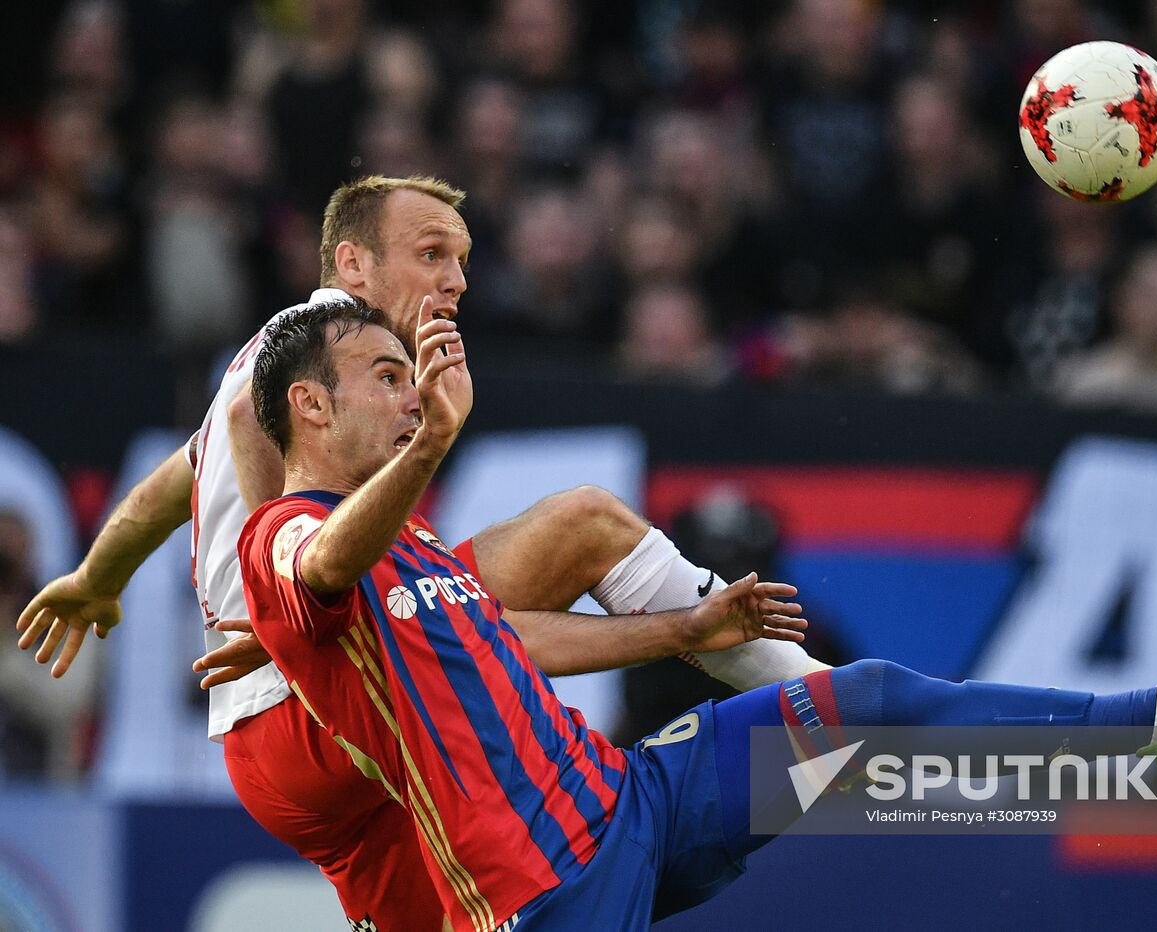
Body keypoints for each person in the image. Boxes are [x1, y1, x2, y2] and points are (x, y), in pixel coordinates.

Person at [243, 295, 1157, 930]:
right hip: (542, 891)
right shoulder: (285, 538)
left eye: (408, 380)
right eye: (385, 377)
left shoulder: (415, 543)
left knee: (869, 702)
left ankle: (1155, 740)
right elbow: (325, 560)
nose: (410, 396)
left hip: (634, 800)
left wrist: (671, 631)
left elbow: (495, 641)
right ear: (309, 404)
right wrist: (433, 444)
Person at [16, 175, 827, 928]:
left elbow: (181, 473)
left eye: (465, 261)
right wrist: (287, 621)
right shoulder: (306, 349)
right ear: (352, 264)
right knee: (580, 527)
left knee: (462, 690)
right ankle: (847, 727)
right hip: (304, 712)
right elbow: (255, 476)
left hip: (291, 754)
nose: (457, 281)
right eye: (432, 254)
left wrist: (97, 574)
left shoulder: (289, 365)